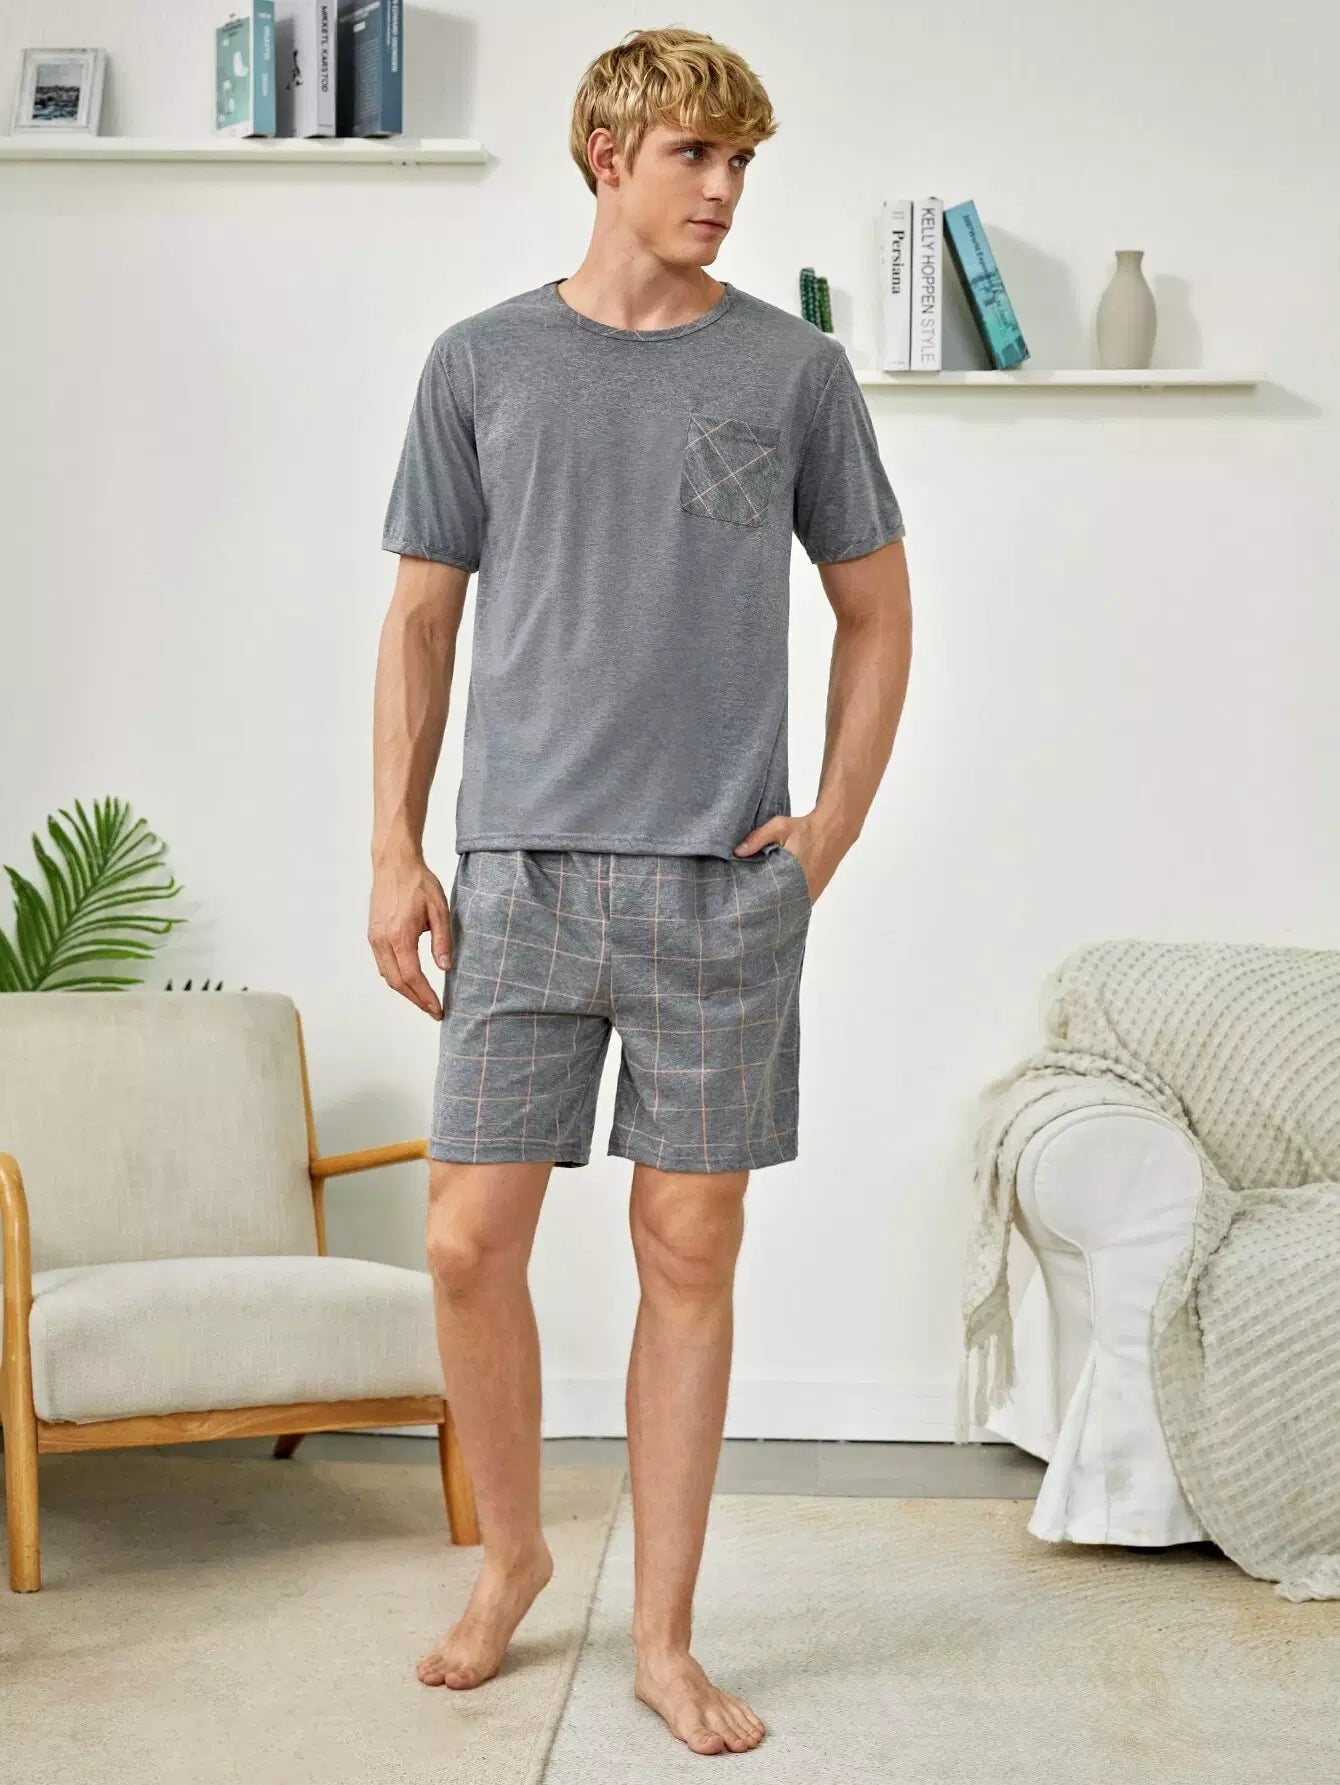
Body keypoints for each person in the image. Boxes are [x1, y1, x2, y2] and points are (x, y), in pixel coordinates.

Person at [368, 25, 912, 1758]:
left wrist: (828, 831)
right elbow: (422, 621)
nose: (727, 189)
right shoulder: (480, 362)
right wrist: (394, 845)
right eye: (695, 155)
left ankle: (664, 1637)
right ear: (607, 156)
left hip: (718, 889)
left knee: (688, 1250)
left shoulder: (794, 372)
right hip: (520, 876)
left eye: (742, 161)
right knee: (466, 1239)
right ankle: (515, 1555)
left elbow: (878, 609)